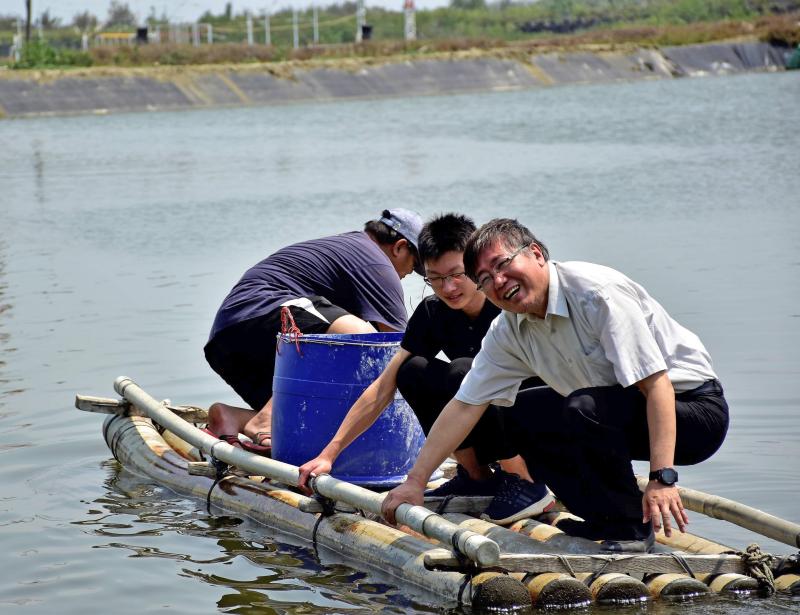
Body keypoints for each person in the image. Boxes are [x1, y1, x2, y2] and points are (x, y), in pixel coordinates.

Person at [381, 218, 729, 553]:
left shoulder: (596, 293)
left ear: (535, 253)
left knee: (584, 407)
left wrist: (661, 479)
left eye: (503, 264)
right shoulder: (509, 328)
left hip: (691, 413)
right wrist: (415, 481)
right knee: (521, 411)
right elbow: (464, 405)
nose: (499, 281)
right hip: (616, 411)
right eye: (485, 278)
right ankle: (603, 517)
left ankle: (630, 526)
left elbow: (657, 386)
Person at [298, 214, 555, 525]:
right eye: (435, 278)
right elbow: (384, 386)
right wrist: (329, 454)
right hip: (485, 414)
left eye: (457, 274)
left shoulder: (507, 301)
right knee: (412, 370)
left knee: (466, 371)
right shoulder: (433, 312)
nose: (448, 288)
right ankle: (476, 477)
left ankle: (525, 480)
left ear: (476, 265)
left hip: (537, 423)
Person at [203, 209, 424, 451]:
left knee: (309, 419)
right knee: (360, 337)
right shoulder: (376, 261)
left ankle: (233, 417)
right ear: (400, 247)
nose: (407, 274)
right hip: (262, 313)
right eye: (413, 266)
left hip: (226, 342)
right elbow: (402, 346)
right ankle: (266, 419)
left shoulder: (349, 248)